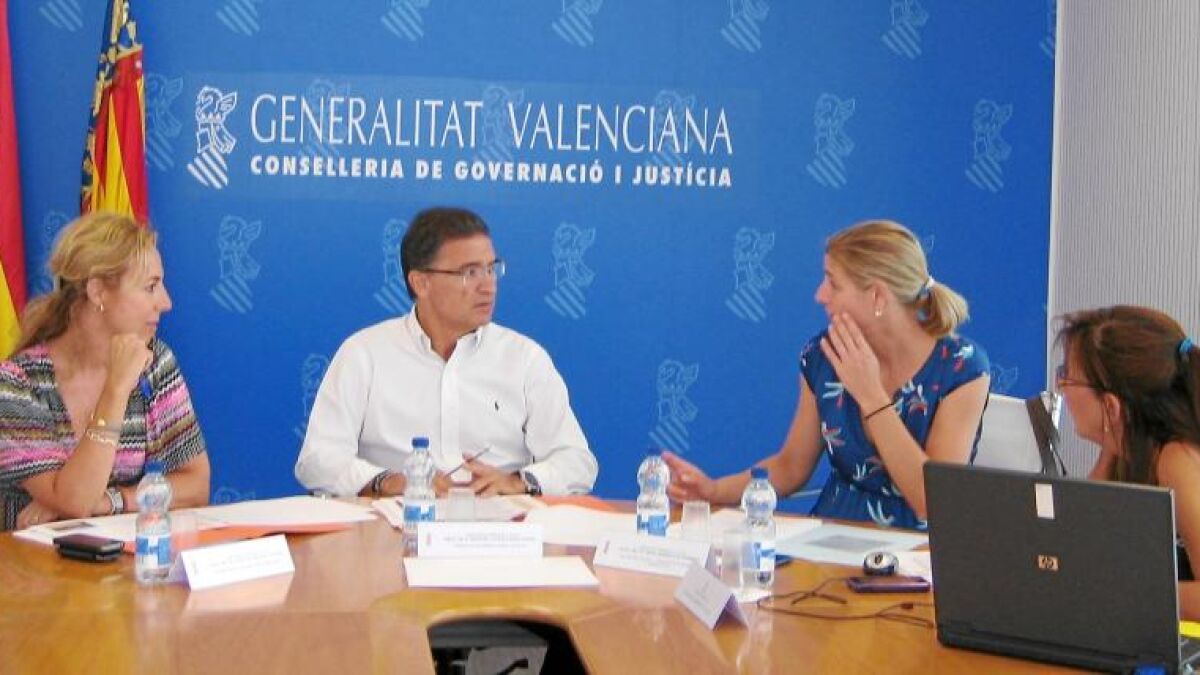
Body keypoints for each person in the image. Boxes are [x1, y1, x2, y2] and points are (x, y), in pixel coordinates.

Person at [664, 219, 990, 529]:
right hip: (830, 534)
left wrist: (871, 396)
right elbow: (791, 467)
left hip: (919, 549)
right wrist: (713, 491)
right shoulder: (825, 354)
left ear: (878, 296)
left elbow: (932, 502)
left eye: (833, 283)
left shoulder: (961, 368)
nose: (820, 295)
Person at [294, 207, 597, 498]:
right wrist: (388, 482)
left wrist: (519, 481)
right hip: (397, 520)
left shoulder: (524, 358)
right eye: (470, 272)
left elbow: (577, 463)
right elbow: (318, 460)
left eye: (492, 269)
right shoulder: (364, 354)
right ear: (421, 282)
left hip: (500, 525)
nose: (488, 286)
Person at [0, 213, 210, 531]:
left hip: (119, 559)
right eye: (150, 287)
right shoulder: (17, 384)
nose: (166, 302)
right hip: (28, 561)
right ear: (98, 291)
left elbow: (196, 485)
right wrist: (117, 388)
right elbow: (76, 501)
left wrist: (113, 500)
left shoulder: (155, 362)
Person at [1055, 305, 1200, 618]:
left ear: (1111, 405)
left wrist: (1124, 593)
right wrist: (1109, 448)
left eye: (1067, 378)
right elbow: (1078, 546)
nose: (1060, 388)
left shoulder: (1178, 459)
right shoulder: (1131, 448)